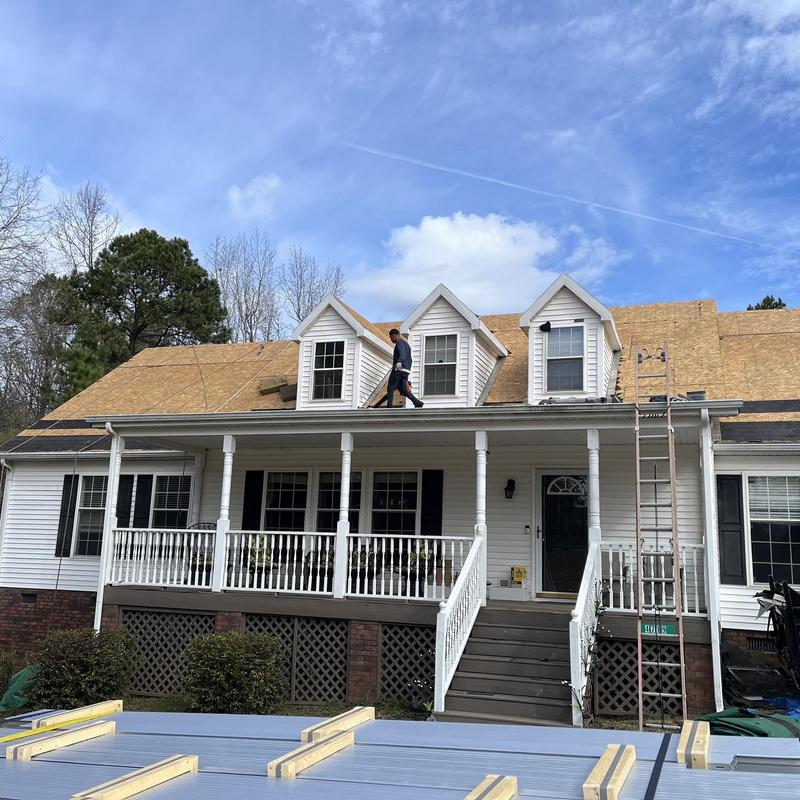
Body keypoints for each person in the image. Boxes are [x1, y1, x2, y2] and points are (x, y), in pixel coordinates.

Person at [385, 329, 423, 408]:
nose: (391, 339)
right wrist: (407, 368)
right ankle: (417, 403)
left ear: (394, 335)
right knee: (403, 389)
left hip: (399, 369)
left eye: (391, 337)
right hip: (406, 371)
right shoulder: (407, 344)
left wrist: (399, 362)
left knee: (390, 387)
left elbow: (402, 353)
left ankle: (389, 407)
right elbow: (410, 358)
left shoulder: (399, 342)